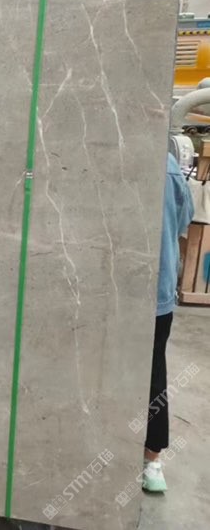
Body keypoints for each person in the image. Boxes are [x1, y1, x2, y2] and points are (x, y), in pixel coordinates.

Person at [143, 151, 194, 492]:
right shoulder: (168, 164)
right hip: (157, 293)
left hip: (113, 299)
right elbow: (184, 219)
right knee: (153, 374)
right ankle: (152, 461)